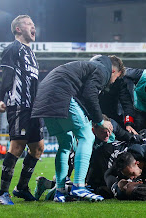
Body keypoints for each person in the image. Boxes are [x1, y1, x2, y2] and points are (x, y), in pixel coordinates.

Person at [31, 55, 124, 202]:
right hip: (61, 93)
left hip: (43, 98)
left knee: (65, 143)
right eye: (116, 78)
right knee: (87, 136)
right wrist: (100, 121)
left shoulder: (85, 68)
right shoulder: (102, 70)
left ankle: (60, 191)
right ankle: (79, 186)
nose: (113, 82)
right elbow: (90, 94)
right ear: (113, 71)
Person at [0, 15, 44, 205]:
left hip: (33, 108)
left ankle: (21, 188)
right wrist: (1, 99)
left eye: (34, 24)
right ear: (18, 29)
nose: (33, 27)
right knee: (17, 147)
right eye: (29, 24)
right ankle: (2, 193)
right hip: (19, 106)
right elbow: (6, 74)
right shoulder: (12, 49)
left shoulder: (30, 53)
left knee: (38, 148)